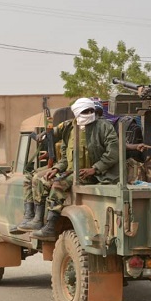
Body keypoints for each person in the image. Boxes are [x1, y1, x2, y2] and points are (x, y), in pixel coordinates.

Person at [32, 98, 120, 239]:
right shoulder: (70, 128)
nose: (89, 113)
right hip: (72, 171)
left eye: (91, 110)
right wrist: (56, 169)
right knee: (42, 181)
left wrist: (95, 169)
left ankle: (50, 226)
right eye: (85, 111)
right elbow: (66, 157)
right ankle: (37, 219)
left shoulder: (104, 127)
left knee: (58, 185)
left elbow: (113, 153)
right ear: (77, 113)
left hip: (96, 175)